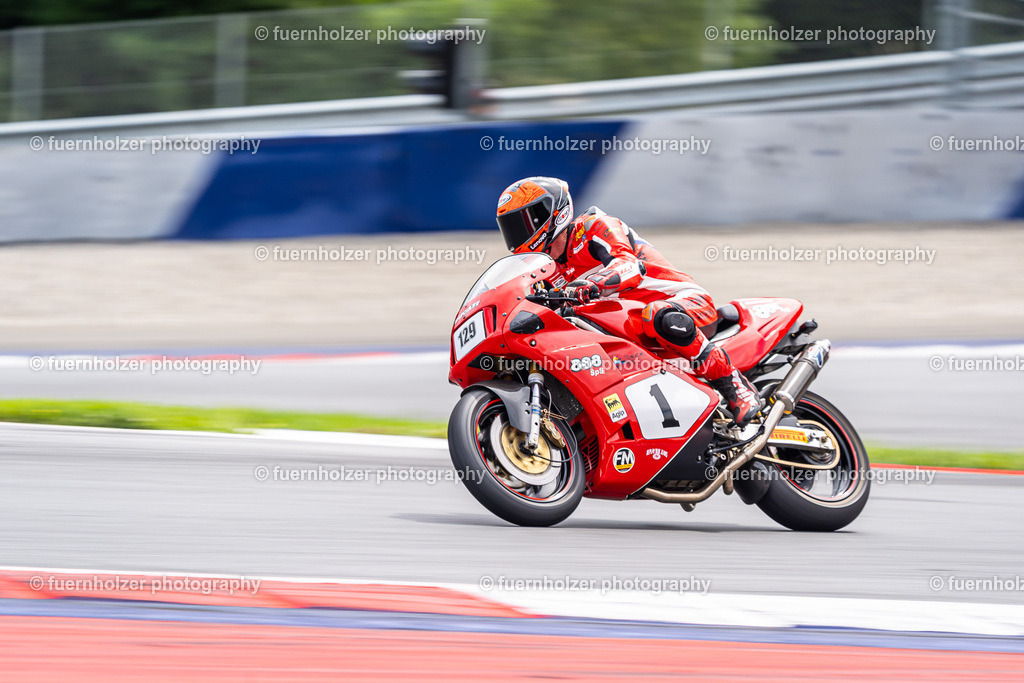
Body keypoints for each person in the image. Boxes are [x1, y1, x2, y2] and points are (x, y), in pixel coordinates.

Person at [495, 175, 763, 426]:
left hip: (682, 302)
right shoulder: (545, 270)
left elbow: (629, 266)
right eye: (512, 228)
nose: (519, 234)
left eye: (526, 222)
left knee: (658, 315)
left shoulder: (592, 227)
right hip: (628, 326)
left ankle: (733, 383)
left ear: (555, 213)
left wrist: (592, 284)